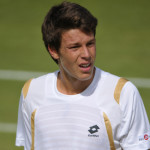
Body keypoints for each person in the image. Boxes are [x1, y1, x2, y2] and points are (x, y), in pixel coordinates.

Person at [15, 1, 150, 150]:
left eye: (90, 44)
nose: (87, 54)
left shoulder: (123, 94)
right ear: (53, 50)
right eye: (75, 47)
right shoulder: (32, 92)